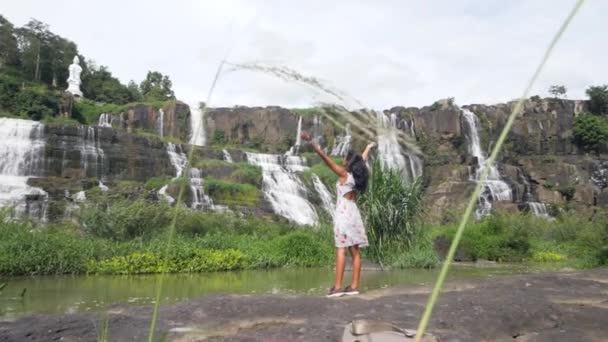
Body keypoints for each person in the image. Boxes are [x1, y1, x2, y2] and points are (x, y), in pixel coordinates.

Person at [301, 131, 375, 297]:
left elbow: (325, 159)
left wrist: (312, 142)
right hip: (354, 214)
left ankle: (338, 287)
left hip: (343, 214)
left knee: (340, 249)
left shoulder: (344, 175)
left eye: (345, 159)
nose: (343, 161)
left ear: (349, 162)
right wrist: (368, 148)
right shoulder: (359, 176)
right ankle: (354, 286)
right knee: (355, 251)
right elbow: (362, 159)